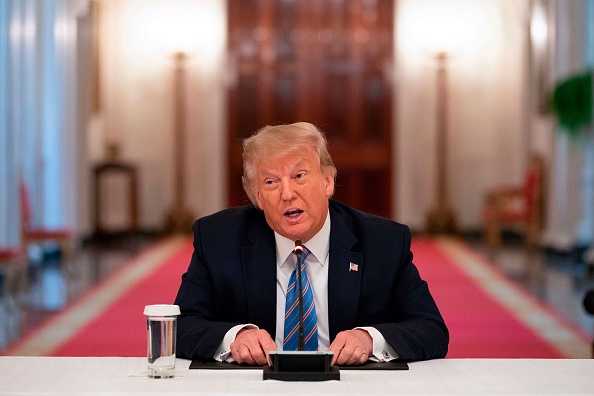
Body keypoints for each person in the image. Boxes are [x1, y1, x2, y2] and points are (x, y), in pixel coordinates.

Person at [174, 122, 448, 366]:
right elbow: (180, 327)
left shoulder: (383, 242)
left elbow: (431, 330)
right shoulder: (218, 239)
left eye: (299, 176)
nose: (287, 194)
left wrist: (370, 339)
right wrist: (234, 336)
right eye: (271, 182)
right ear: (257, 196)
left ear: (328, 181)